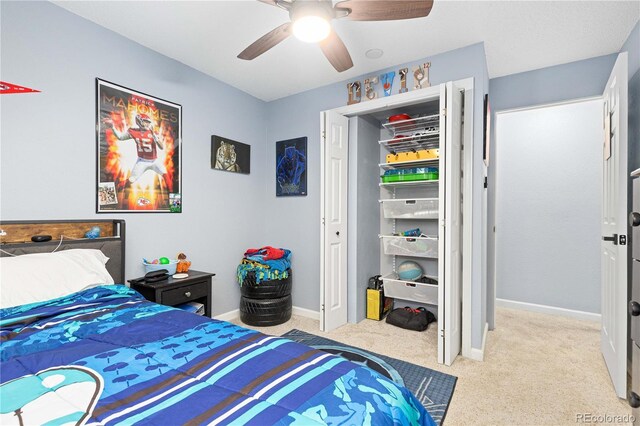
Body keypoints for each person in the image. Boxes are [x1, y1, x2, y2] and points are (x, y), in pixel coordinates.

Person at [103, 113, 168, 185]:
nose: (147, 124)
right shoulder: (133, 131)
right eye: (145, 121)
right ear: (139, 121)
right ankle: (116, 188)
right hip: (142, 161)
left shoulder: (153, 132)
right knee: (131, 180)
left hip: (155, 160)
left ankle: (172, 194)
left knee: (166, 176)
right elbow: (120, 137)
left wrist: (155, 137)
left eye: (148, 122)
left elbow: (161, 147)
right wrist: (112, 127)